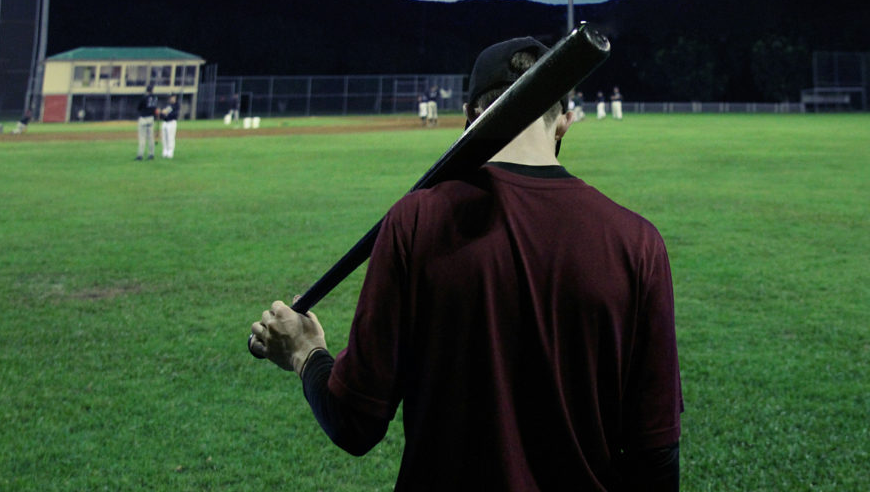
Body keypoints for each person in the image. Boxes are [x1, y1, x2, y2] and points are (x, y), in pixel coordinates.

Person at [250, 36, 683, 491]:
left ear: (471, 118)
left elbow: (354, 422)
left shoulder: (415, 221)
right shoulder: (638, 242)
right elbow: (654, 458)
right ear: (564, 124)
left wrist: (304, 353)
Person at [136, 85, 158, 160]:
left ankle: (140, 155)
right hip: (151, 118)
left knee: (142, 138)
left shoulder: (144, 97)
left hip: (143, 118)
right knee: (151, 137)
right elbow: (155, 108)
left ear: (147, 90)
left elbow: (139, 107)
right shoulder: (155, 98)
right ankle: (151, 154)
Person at [160, 95, 180, 159]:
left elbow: (175, 114)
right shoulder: (168, 105)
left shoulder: (176, 105)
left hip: (171, 122)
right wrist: (162, 113)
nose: (172, 99)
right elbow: (162, 114)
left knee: (170, 137)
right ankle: (165, 151)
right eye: (171, 98)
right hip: (165, 122)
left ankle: (170, 152)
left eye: (173, 98)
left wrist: (166, 113)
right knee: (164, 137)